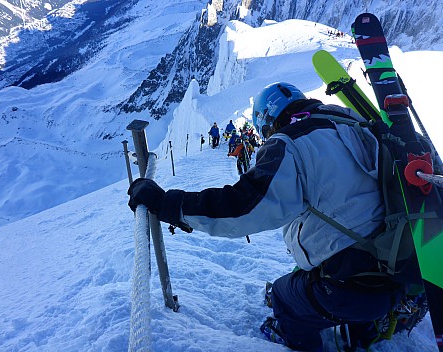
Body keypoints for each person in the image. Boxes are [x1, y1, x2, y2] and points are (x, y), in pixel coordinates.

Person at [128, 82, 405, 352]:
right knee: (324, 271)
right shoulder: (353, 121)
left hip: (351, 289)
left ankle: (301, 341)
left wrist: (168, 204)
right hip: (400, 269)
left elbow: (243, 207)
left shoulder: (291, 143)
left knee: (284, 296)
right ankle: (363, 332)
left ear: (268, 121)